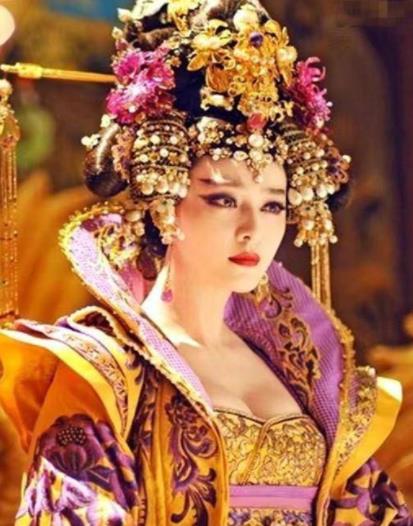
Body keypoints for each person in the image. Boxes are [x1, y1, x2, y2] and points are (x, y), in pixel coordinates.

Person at [0, 0, 411, 524]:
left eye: (273, 205)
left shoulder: (308, 374)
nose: (251, 228)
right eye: (222, 199)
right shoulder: (102, 372)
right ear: (164, 198)